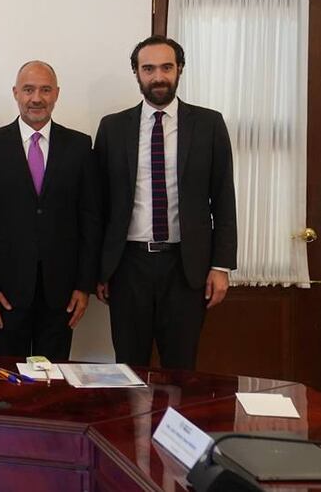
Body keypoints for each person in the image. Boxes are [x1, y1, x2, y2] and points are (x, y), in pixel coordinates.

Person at [94, 35, 237, 370]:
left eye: (166, 67)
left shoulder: (209, 124)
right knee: (128, 367)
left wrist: (221, 265)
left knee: (181, 368)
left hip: (186, 268)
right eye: (148, 68)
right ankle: (130, 425)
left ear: (180, 70)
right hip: (127, 266)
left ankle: (176, 425)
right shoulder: (112, 127)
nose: (158, 76)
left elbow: (224, 198)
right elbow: (98, 204)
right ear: (137, 73)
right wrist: (98, 270)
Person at [0, 61, 100, 361]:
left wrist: (84, 285)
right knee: (7, 380)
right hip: (5, 292)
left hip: (62, 292)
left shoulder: (79, 146)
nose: (36, 98)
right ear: (15, 93)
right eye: (28, 89)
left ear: (57, 94)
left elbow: (90, 220)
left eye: (45, 90)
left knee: (54, 381)